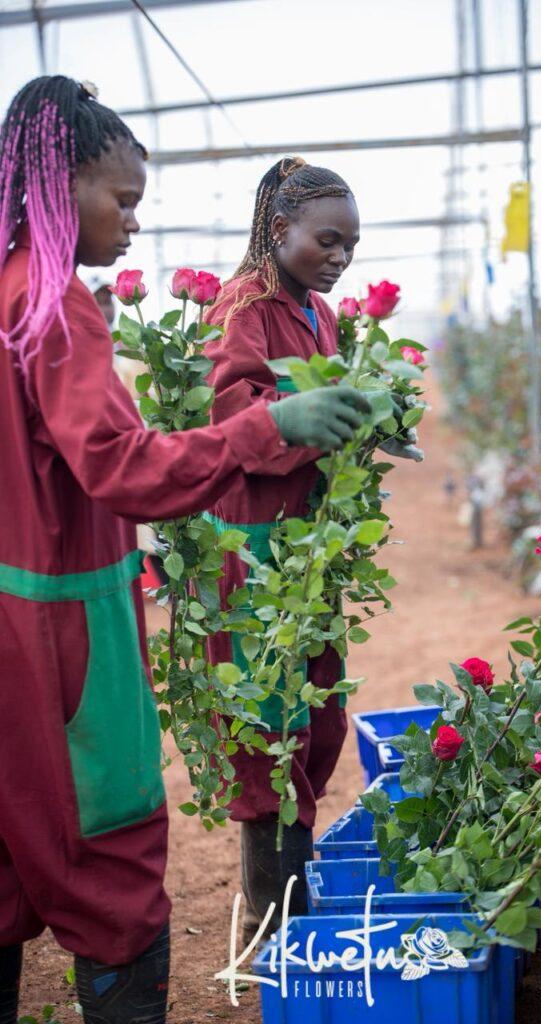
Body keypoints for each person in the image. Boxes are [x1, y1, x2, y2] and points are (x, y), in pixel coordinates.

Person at [0, 78, 371, 1024]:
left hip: (21, 603)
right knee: (112, 854)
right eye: (122, 200)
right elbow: (120, 466)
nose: (133, 223)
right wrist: (267, 426)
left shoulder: (12, 293)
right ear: (58, 184)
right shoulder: (51, 304)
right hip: (62, 619)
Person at [203, 157, 418, 943]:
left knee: (317, 706)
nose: (339, 257)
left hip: (309, 537)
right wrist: (311, 409)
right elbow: (232, 412)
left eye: (350, 246)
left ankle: (290, 901)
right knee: (268, 716)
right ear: (278, 228)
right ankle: (272, 921)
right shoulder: (242, 306)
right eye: (327, 240)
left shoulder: (316, 311)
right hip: (256, 536)